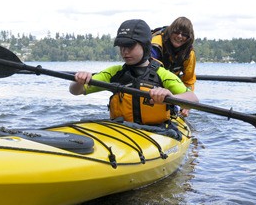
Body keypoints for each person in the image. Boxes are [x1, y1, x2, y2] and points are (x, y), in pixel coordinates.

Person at [70, 19, 198, 134]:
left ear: (145, 46)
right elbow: (76, 91)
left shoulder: (162, 74)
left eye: (130, 46)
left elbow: (193, 99)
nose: (124, 51)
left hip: (157, 131)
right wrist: (79, 81)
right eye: (121, 46)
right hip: (122, 130)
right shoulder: (114, 72)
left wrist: (171, 97)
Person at [150, 17, 196, 91]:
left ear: (188, 37)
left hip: (170, 85)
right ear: (170, 31)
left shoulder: (189, 53)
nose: (179, 36)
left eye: (184, 34)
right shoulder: (156, 44)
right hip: (150, 82)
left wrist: (186, 97)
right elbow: (148, 70)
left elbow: (189, 80)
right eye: (176, 32)